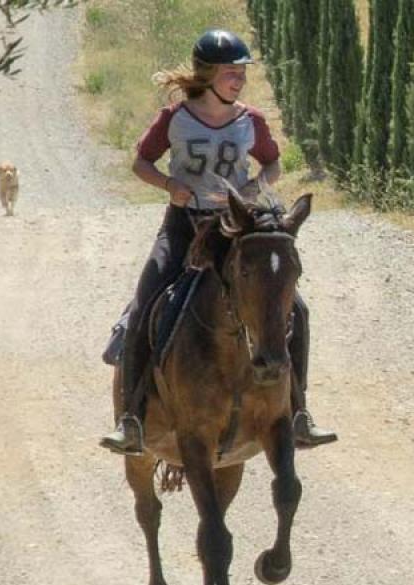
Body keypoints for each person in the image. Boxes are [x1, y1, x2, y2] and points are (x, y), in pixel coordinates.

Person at [100, 29, 335, 455]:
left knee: (295, 308)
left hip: (236, 233)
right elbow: (140, 162)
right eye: (231, 72)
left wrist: (254, 188)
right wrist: (169, 184)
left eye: (242, 71)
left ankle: (300, 413)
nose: (239, 79)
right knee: (144, 302)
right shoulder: (175, 118)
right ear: (207, 75)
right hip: (184, 227)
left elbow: (273, 164)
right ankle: (132, 419)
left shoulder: (253, 120)